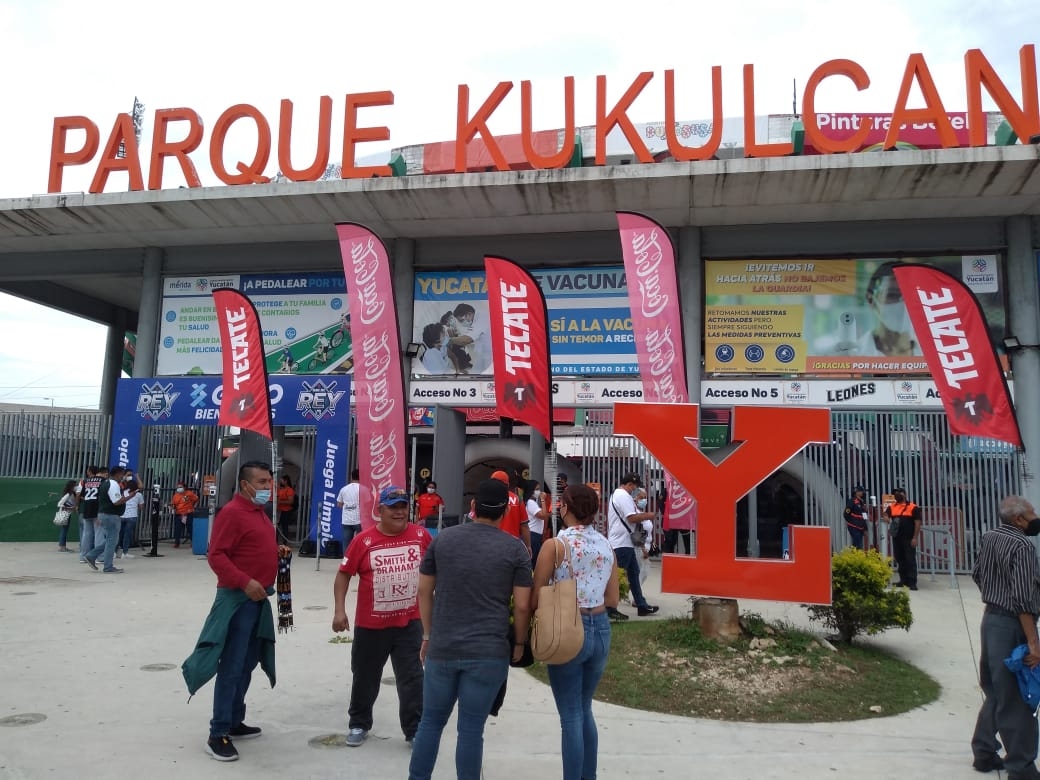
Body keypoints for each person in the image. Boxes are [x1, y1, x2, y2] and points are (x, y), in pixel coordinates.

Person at [408, 478, 532, 780]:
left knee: (430, 723)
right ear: (505, 511)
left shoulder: (444, 540)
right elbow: (523, 606)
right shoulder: (515, 549)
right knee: (471, 731)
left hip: (443, 646)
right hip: (489, 651)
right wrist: (519, 644)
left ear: (473, 507)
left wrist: (427, 634)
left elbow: (424, 592)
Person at [183, 461, 280, 763]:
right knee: (232, 666)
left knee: (249, 662)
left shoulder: (258, 513)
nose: (268, 488)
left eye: (270, 481)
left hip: (257, 599)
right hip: (238, 601)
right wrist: (244, 581)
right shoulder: (233, 513)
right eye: (262, 482)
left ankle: (235, 720)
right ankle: (218, 732)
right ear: (245, 484)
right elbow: (216, 555)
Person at [332, 485, 431, 747]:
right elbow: (343, 575)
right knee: (365, 676)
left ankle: (414, 729)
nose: (399, 512)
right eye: (393, 507)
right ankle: (358, 723)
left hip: (410, 623)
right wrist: (339, 610)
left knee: (412, 678)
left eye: (403, 506)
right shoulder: (363, 540)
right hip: (371, 625)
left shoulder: (421, 535)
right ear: (380, 510)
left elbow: (435, 573)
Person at [532, 483, 619, 780]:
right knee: (584, 709)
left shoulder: (555, 546)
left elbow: (537, 593)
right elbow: (613, 599)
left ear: (564, 508)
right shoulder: (606, 544)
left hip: (569, 628)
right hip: (601, 629)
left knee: (569, 715)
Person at [970, 496, 1040, 779]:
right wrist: (1033, 643)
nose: (1036, 516)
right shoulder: (1022, 545)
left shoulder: (990, 537)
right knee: (1018, 699)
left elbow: (977, 574)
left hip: (991, 620)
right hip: (1013, 624)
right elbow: (1023, 600)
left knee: (998, 690)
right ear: (1018, 519)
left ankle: (984, 751)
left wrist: (996, 597)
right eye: (1032, 512)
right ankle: (1022, 768)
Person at [606, 473, 659, 619]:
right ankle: (610, 607)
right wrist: (649, 515)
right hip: (621, 543)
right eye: (635, 487)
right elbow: (631, 517)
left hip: (626, 543)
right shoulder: (622, 495)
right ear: (630, 484)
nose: (635, 490)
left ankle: (641, 605)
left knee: (634, 574)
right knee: (617, 576)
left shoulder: (620, 495)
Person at [856, 261, 921, 357]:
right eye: (893, 295)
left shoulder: (934, 356)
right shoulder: (851, 357)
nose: (903, 304)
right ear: (871, 300)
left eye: (911, 296)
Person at [83, 466, 136, 574]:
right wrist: (130, 497)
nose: (123, 477)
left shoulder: (105, 483)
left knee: (111, 540)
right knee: (112, 541)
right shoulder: (113, 484)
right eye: (122, 474)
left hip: (104, 514)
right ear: (117, 474)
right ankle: (108, 567)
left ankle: (91, 555)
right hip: (111, 515)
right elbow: (116, 501)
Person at [885, 486, 922, 590]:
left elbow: (918, 523)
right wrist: (886, 517)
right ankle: (903, 580)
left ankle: (912, 582)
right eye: (895, 494)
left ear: (904, 494)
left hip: (909, 538)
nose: (896, 495)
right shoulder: (892, 506)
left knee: (910, 559)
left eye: (898, 493)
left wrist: (915, 538)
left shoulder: (913, 507)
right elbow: (885, 514)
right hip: (897, 538)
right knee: (900, 559)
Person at [491, 470, 531, 557]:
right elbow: (524, 526)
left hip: (491, 544)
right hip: (512, 545)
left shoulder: (485, 497)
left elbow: (475, 521)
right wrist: (528, 546)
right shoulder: (517, 499)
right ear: (507, 485)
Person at [78, 465, 103, 562]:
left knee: (86, 534)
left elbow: (82, 495)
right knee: (98, 534)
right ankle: (99, 557)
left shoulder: (86, 481)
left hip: (87, 509)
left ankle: (83, 556)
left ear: (90, 471)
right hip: (97, 509)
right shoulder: (102, 481)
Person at [118, 477, 145, 559]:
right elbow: (141, 507)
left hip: (122, 515)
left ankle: (114, 553)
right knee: (127, 535)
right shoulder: (138, 494)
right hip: (132, 516)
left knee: (118, 534)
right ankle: (124, 553)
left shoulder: (123, 492)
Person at [525, 479, 551, 564]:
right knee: (532, 560)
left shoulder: (532, 503)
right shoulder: (531, 503)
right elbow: (543, 515)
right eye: (536, 489)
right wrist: (543, 500)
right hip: (533, 535)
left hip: (536, 535)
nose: (539, 492)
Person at [336, 469, 362, 548]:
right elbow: (367, 504)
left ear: (351, 477)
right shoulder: (363, 489)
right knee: (361, 542)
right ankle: (359, 559)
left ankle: (346, 560)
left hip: (346, 521)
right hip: (360, 520)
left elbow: (339, 505)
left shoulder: (344, 489)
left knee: (346, 544)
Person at [171, 481, 199, 549]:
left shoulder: (189, 493)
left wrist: (194, 506)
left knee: (190, 528)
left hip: (188, 513)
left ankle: (193, 542)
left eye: (181, 487)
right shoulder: (175, 496)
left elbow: (196, 499)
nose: (179, 488)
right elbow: (173, 504)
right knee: (177, 529)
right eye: (178, 487)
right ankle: (177, 543)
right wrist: (172, 508)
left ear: (184, 487)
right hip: (179, 514)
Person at [844, 484, 869, 551]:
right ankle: (853, 559)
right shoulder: (852, 501)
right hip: (854, 527)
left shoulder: (862, 503)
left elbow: (864, 517)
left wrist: (865, 528)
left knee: (857, 545)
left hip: (860, 527)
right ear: (857, 492)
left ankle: (854, 558)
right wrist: (852, 523)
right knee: (858, 545)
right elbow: (846, 514)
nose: (863, 493)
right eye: (861, 491)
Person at [56, 479, 78, 552]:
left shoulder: (72, 493)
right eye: (75, 485)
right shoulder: (68, 494)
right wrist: (70, 508)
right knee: (64, 529)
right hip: (65, 513)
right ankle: (62, 547)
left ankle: (63, 546)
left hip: (68, 513)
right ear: (72, 486)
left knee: (65, 529)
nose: (76, 486)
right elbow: (59, 504)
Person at [276, 475, 296, 543]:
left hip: (286, 511)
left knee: (284, 527)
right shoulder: (280, 489)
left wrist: (280, 502)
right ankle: (275, 542)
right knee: (277, 527)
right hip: (279, 511)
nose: (280, 481)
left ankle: (285, 543)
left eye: (281, 480)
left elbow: (291, 501)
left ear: (285, 481)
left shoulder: (289, 490)